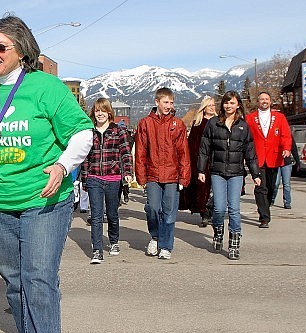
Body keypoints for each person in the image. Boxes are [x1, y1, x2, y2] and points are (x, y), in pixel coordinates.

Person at [0, 14, 93, 333]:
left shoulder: (46, 87)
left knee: (39, 280)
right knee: (15, 282)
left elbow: (82, 132)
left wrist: (62, 166)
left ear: (21, 52)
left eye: (0, 47)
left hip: (43, 199)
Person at [198, 91, 261, 260]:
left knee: (234, 209)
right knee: (219, 208)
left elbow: (251, 152)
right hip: (218, 172)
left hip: (236, 173)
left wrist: (256, 173)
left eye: (232, 103)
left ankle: (234, 244)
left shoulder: (243, 126)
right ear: (222, 105)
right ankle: (218, 232)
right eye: (226, 103)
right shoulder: (213, 124)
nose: (228, 106)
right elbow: (204, 149)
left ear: (238, 105)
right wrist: (201, 170)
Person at [134, 87, 191, 260]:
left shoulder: (178, 124)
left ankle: (166, 245)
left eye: (171, 102)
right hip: (152, 174)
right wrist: (141, 176)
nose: (168, 105)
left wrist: (184, 176)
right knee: (152, 208)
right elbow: (141, 151)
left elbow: (183, 152)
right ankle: (155, 236)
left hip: (172, 175)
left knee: (169, 212)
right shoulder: (145, 123)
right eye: (165, 102)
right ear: (156, 102)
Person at [80, 98, 134, 264]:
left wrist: (128, 172)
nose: (100, 113)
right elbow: (85, 157)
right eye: (97, 110)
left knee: (112, 214)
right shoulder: (89, 132)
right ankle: (97, 250)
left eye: (103, 110)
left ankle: (114, 241)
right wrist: (85, 178)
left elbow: (125, 153)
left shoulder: (119, 131)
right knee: (96, 216)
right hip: (94, 177)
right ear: (93, 113)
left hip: (113, 178)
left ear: (109, 112)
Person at [246, 92, 292, 228]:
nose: (264, 101)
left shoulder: (279, 117)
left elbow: (286, 135)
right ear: (258, 102)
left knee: (272, 186)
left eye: (266, 99)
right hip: (257, 158)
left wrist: (286, 148)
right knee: (261, 187)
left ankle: (267, 206)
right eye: (261, 99)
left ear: (270, 102)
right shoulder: (250, 118)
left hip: (274, 156)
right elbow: (247, 138)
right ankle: (264, 217)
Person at [179, 96, 216, 227]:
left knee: (214, 189)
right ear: (204, 108)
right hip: (201, 160)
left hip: (217, 159)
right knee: (202, 188)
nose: (212, 107)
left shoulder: (219, 122)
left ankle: (212, 210)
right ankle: (204, 212)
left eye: (213, 105)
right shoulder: (198, 124)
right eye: (209, 105)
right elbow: (192, 144)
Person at [271, 138, 299, 209]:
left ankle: (287, 202)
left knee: (286, 184)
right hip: (276, 162)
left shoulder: (289, 136)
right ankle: (271, 198)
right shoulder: (275, 134)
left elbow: (294, 149)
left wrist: (297, 162)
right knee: (275, 183)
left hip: (286, 163)